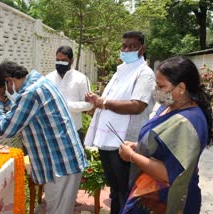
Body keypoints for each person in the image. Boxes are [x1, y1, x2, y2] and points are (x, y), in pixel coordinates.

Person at [0, 60, 88, 214]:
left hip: (60, 166)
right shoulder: (41, 82)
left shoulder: (31, 93)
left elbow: (5, 130)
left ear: (9, 82)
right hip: (63, 163)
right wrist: (3, 102)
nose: (6, 97)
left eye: (3, 92)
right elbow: (20, 113)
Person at [118, 56, 212, 213]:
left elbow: (170, 173)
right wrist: (139, 147)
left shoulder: (187, 122)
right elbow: (163, 146)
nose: (156, 90)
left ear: (181, 88)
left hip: (166, 199)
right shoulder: (170, 106)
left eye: (161, 86)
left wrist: (132, 157)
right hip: (150, 192)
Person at [84, 31, 155, 214]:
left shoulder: (144, 74)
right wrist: (97, 100)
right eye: (124, 46)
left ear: (142, 49)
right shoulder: (121, 70)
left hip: (124, 142)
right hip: (107, 140)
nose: (127, 49)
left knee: (126, 189)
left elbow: (137, 105)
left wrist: (104, 103)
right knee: (115, 189)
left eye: (132, 46)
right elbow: (111, 99)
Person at [46, 46, 93, 143]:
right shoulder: (48, 78)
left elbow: (89, 104)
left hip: (74, 129)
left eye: (63, 60)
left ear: (71, 61)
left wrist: (65, 105)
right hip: (52, 130)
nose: (60, 63)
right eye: (57, 60)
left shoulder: (81, 79)